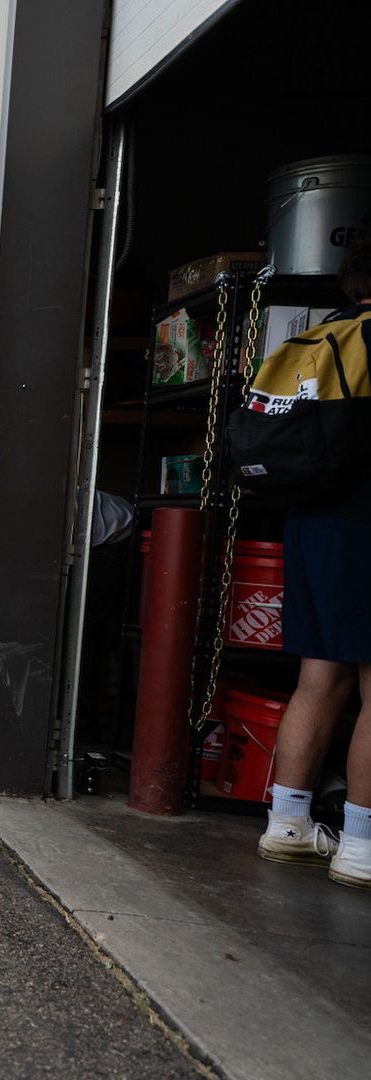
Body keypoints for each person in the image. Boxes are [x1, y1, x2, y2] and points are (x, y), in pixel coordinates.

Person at [255, 241, 371, 890]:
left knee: (316, 681)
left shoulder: (319, 337)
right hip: (365, 524)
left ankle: (289, 823)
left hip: (309, 529)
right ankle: (361, 845)